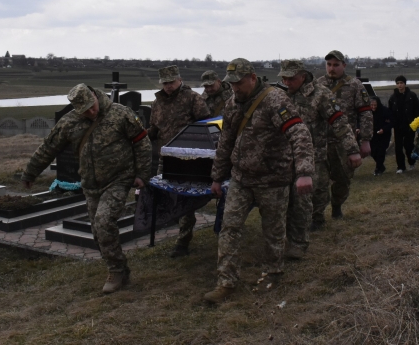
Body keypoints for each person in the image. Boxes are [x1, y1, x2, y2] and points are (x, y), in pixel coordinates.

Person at [203, 59, 314, 304]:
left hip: (273, 179)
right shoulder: (232, 103)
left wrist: (304, 171)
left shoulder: (275, 100)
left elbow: (299, 132)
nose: (235, 88)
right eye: (231, 83)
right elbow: (225, 142)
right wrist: (217, 177)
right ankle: (226, 282)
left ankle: (273, 272)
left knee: (273, 232)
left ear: (253, 77)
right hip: (241, 179)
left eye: (239, 83)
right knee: (229, 228)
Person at [22, 84, 151, 293]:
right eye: (85, 110)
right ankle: (120, 267)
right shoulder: (69, 122)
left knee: (103, 221)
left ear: (95, 95)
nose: (91, 112)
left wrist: (142, 174)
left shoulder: (120, 114)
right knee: (98, 232)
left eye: (92, 106)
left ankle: (116, 271)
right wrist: (30, 172)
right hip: (90, 185)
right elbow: (48, 147)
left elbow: (141, 142)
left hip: (118, 179)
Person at [277, 59, 360, 255]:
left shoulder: (320, 95)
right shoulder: (279, 96)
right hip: (284, 156)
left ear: (303, 76)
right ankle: (293, 230)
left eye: (291, 78)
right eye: (284, 78)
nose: (287, 82)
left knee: (315, 192)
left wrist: (352, 149)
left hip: (314, 154)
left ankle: (314, 223)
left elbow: (339, 122)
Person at [149, 65, 211, 258]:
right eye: (165, 83)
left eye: (171, 82)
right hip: (165, 157)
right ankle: (163, 230)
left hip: (187, 158)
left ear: (179, 79)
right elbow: (154, 129)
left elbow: (207, 125)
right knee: (166, 198)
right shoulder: (157, 102)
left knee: (185, 200)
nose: (168, 86)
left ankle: (183, 242)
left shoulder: (193, 98)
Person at [315, 50, 372, 219]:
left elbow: (366, 113)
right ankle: (317, 216)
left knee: (343, 179)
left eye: (335, 65)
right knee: (319, 181)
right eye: (329, 65)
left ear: (344, 66)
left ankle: (337, 205)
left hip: (343, 142)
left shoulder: (355, 85)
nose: (331, 68)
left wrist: (366, 140)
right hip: (321, 141)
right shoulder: (317, 85)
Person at [388, 75, 419, 174]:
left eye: (401, 83)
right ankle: (401, 167)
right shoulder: (393, 97)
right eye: (398, 83)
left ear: (405, 84)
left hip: (410, 125)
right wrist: (392, 122)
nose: (400, 85)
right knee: (398, 147)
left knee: (409, 146)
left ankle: (411, 162)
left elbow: (417, 110)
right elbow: (390, 111)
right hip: (398, 126)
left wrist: (417, 122)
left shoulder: (412, 95)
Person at [369, 97, 393, 175]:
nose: (373, 107)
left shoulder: (385, 111)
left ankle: (378, 169)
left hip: (384, 135)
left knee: (381, 151)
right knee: (373, 152)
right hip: (373, 135)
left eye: (375, 105)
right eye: (371, 105)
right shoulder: (368, 112)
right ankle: (381, 166)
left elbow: (391, 122)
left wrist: (384, 129)